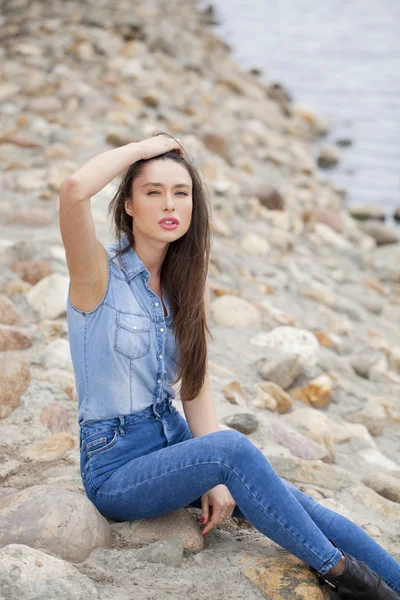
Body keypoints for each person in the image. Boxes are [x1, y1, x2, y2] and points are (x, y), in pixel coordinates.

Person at [60, 132, 400, 598]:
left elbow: (194, 387)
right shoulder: (96, 274)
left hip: (174, 442)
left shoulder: (183, 283)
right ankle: (345, 576)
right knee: (233, 450)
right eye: (153, 191)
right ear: (130, 206)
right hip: (115, 467)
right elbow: (74, 189)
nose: (169, 204)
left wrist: (213, 477)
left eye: (182, 193)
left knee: (304, 508)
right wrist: (145, 149)